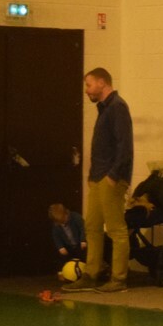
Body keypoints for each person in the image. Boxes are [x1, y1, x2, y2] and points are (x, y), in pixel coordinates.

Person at [63, 68, 133, 293]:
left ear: (102, 83)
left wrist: (113, 175)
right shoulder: (104, 109)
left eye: (89, 85)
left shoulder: (117, 107)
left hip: (110, 177)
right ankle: (92, 274)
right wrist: (93, 176)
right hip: (98, 176)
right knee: (92, 226)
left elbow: (125, 146)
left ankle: (119, 278)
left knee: (115, 228)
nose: (86, 90)